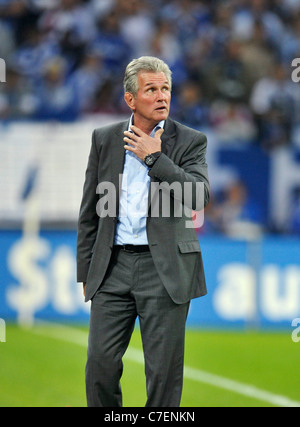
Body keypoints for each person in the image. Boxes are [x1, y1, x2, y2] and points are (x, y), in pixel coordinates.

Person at [77, 56, 210, 407]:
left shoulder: (189, 141)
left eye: (166, 88)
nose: (162, 96)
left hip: (163, 269)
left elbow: (199, 196)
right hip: (112, 268)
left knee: (163, 375)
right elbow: (90, 210)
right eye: (151, 89)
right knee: (100, 366)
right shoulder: (105, 138)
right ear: (131, 99)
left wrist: (156, 158)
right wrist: (85, 272)